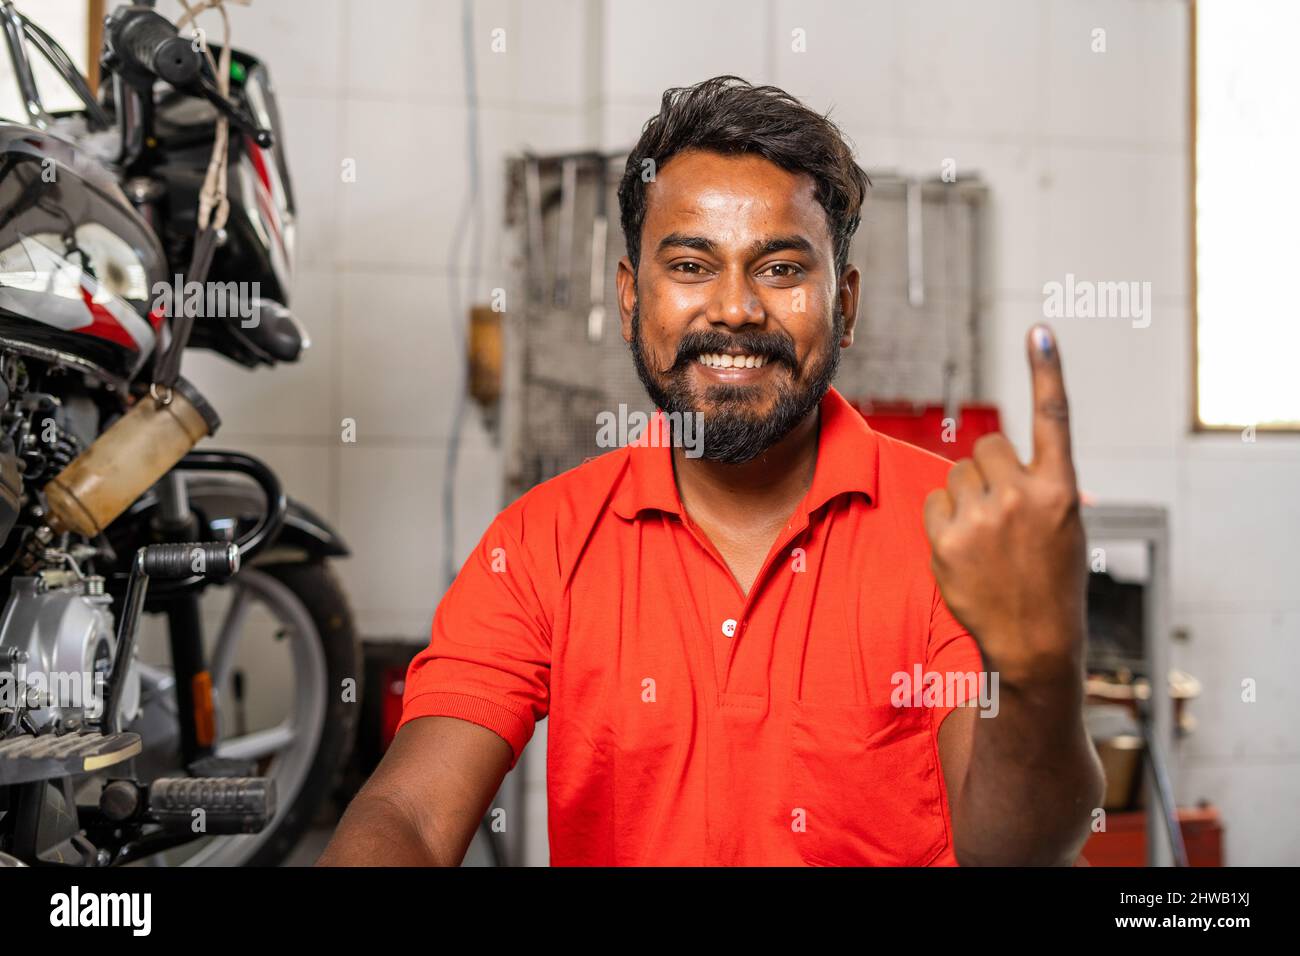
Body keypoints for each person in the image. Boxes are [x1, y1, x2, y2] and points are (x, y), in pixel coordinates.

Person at [318, 75, 1104, 867]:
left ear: (847, 308)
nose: (735, 309)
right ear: (630, 300)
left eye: (782, 269)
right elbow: (409, 817)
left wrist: (1037, 665)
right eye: (692, 266)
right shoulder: (540, 542)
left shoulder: (949, 532)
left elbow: (1014, 853)